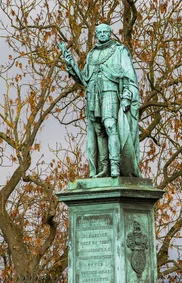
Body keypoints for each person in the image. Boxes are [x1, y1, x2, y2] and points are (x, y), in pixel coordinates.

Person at [59, 23, 140, 178]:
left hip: (110, 92)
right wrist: (71, 64)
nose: (102, 34)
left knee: (110, 126)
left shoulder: (119, 50)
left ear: (110, 33)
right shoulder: (92, 54)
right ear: (96, 34)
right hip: (93, 95)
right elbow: (84, 79)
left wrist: (126, 96)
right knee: (99, 131)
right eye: (99, 32)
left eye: (105, 32)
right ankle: (104, 169)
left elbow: (130, 77)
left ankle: (115, 166)